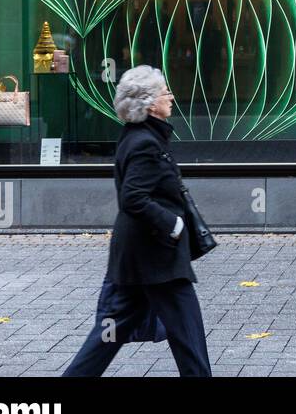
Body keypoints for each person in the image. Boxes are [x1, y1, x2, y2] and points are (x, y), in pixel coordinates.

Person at [63, 66, 212, 377]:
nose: (170, 97)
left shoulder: (140, 137)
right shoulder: (144, 142)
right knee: (189, 337)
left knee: (107, 338)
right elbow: (133, 198)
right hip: (156, 257)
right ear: (148, 103)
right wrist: (173, 224)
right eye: (164, 92)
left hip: (140, 257)